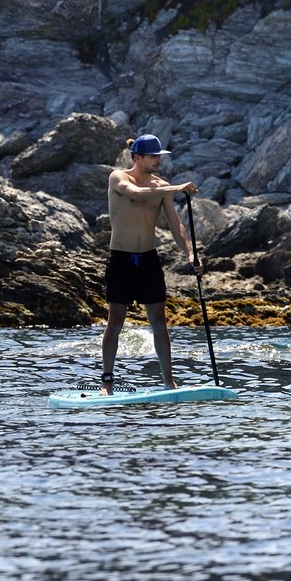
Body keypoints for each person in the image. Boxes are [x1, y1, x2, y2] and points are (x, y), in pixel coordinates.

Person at [99, 133, 199, 393]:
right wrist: (175, 188)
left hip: (148, 259)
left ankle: (169, 381)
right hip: (121, 258)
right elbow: (135, 194)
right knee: (116, 322)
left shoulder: (161, 186)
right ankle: (107, 381)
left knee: (159, 321)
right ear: (137, 157)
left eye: (159, 156)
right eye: (154, 156)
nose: (158, 160)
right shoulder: (118, 177)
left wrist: (190, 253)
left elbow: (176, 225)